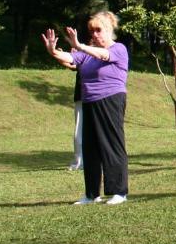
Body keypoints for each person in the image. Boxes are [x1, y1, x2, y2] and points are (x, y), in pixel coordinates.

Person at [42, 11, 129, 205]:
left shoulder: (119, 49)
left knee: (112, 145)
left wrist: (80, 45)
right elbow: (70, 59)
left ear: (109, 30)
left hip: (111, 98)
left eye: (99, 30)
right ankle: (91, 194)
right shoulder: (87, 54)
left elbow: (105, 55)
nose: (95, 34)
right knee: (90, 149)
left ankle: (118, 192)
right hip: (89, 101)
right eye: (92, 30)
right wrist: (53, 51)